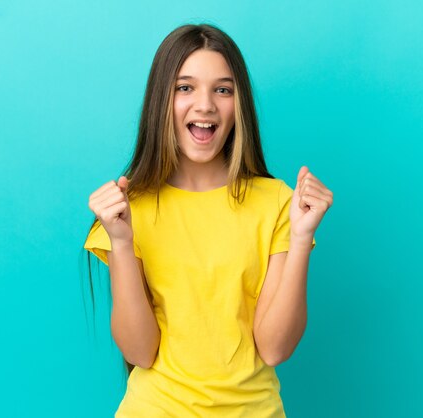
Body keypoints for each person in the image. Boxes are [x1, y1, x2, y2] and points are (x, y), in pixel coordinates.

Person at [83, 23, 333, 417]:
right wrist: (121, 242)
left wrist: (301, 239)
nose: (205, 105)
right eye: (185, 87)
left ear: (239, 105)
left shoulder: (278, 205)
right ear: (160, 100)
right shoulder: (129, 210)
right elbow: (140, 352)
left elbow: (274, 348)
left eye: (223, 89)